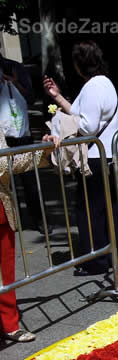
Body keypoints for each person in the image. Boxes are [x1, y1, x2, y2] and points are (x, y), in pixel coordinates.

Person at [43, 40, 118, 275]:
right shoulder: (104, 84)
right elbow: (87, 116)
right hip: (109, 154)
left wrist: (61, 123)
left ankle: (96, 261)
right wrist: (58, 98)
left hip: (94, 157)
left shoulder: (92, 87)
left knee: (89, 210)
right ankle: (116, 256)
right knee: (110, 208)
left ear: (79, 65)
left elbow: (87, 125)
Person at [0, 133, 59, 342]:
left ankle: (9, 325)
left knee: (5, 272)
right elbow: (5, 163)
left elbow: (7, 162)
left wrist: (42, 150)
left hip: (2, 208)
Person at [0, 47, 44, 233]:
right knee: (5, 181)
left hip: (21, 134)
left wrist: (15, 83)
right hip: (3, 135)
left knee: (29, 179)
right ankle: (11, 220)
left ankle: (39, 220)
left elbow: (31, 98)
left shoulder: (15, 67)